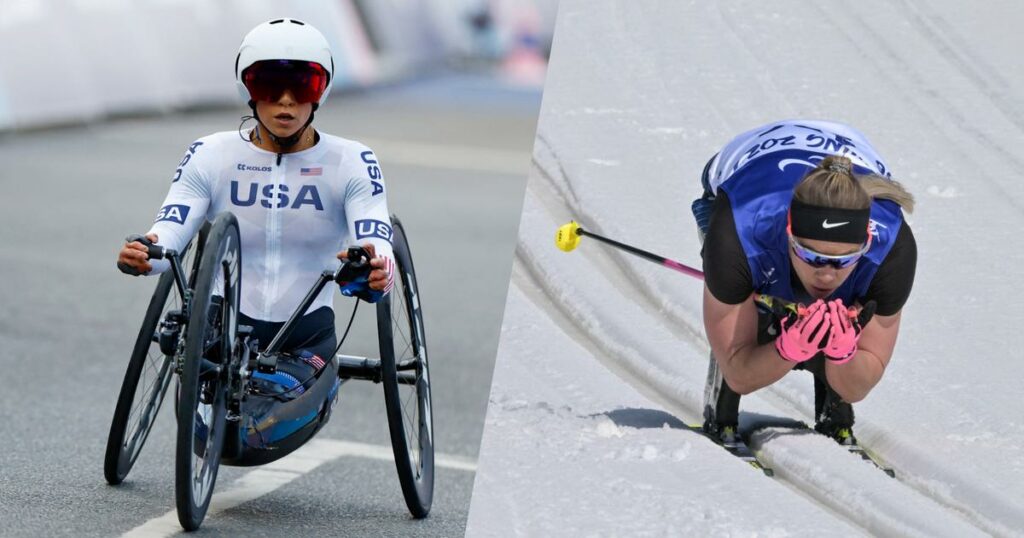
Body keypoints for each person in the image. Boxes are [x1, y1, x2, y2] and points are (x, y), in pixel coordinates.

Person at [116, 18, 395, 375]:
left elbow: (376, 238)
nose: (286, 101)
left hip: (304, 336)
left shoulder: (352, 160)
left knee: (257, 428)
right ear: (247, 89)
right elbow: (169, 235)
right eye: (269, 85)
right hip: (221, 326)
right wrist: (143, 254)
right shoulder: (210, 153)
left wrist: (374, 270)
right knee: (214, 424)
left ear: (321, 91)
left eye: (303, 85)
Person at [692, 120, 917, 446]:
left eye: (842, 261)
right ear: (788, 232)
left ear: (867, 241)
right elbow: (739, 373)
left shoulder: (892, 251)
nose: (826, 274)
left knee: (844, 307)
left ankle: (835, 411)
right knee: (750, 294)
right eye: (811, 256)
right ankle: (722, 410)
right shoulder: (738, 234)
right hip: (744, 170)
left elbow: (859, 385)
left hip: (842, 147)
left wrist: (843, 354)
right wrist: (788, 348)